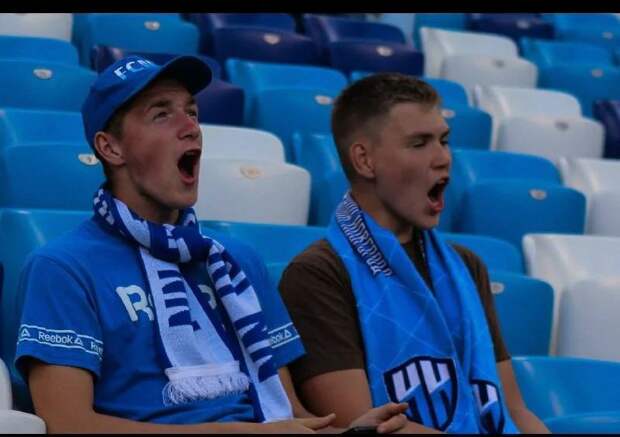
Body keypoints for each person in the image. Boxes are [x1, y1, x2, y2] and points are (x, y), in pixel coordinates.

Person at [13, 56, 409, 433]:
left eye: (192, 112)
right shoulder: (62, 267)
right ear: (111, 148)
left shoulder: (237, 260)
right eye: (161, 114)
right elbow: (69, 425)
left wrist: (350, 432)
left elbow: (289, 415)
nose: (190, 127)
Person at [279, 73, 551, 434]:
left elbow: (513, 410)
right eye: (419, 143)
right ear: (364, 160)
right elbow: (361, 427)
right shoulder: (317, 274)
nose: (443, 158)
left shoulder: (466, 266)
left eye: (444, 140)